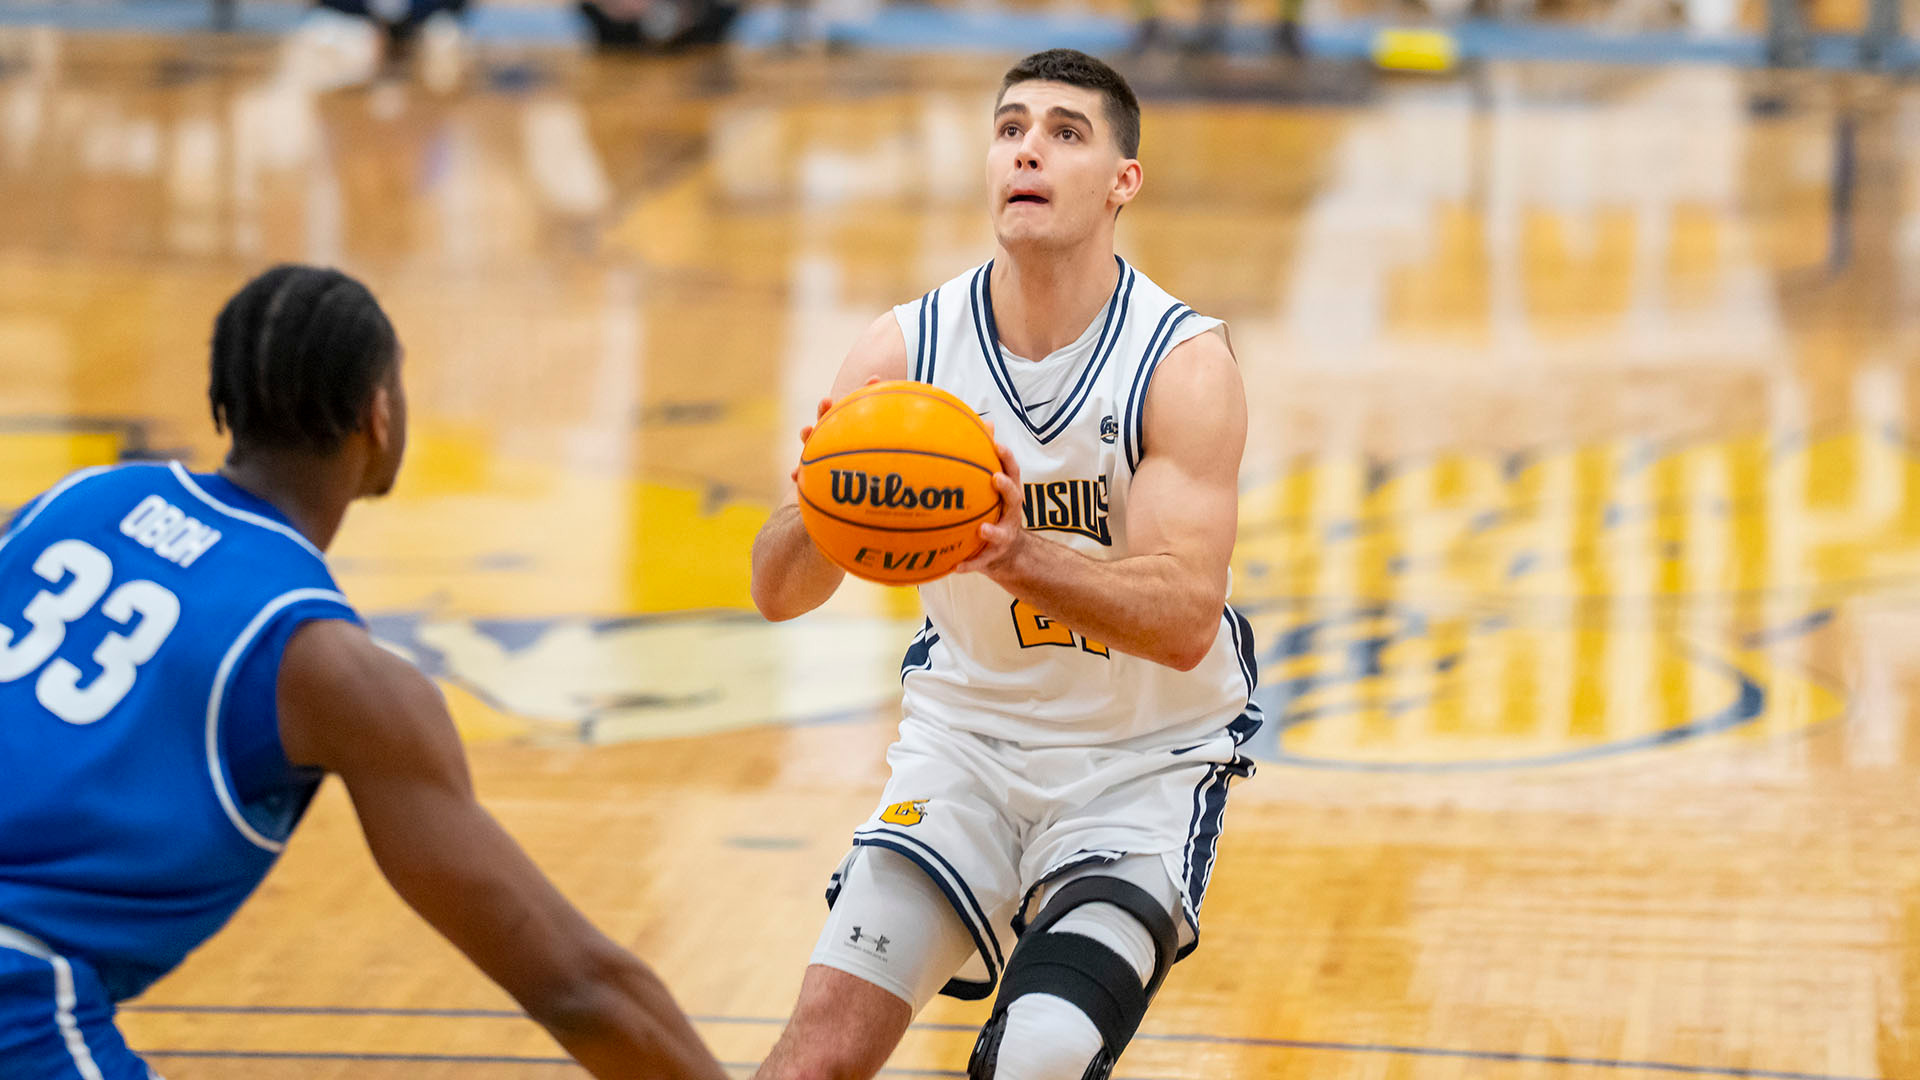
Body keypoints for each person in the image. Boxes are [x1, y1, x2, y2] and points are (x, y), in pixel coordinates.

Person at [0, 266, 727, 1080]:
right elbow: (580, 989)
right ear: (378, 415)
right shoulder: (331, 667)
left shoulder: (68, 504)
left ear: (224, 400)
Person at [749, 48, 1259, 1080]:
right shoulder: (903, 354)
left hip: (1138, 769)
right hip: (965, 749)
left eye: (1066, 133)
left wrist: (1019, 555)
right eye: (1010, 128)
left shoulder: (1181, 363)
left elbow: (1184, 618)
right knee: (815, 1060)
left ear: (1124, 182)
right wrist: (822, 506)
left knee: (1041, 1057)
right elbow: (776, 591)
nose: (1029, 149)